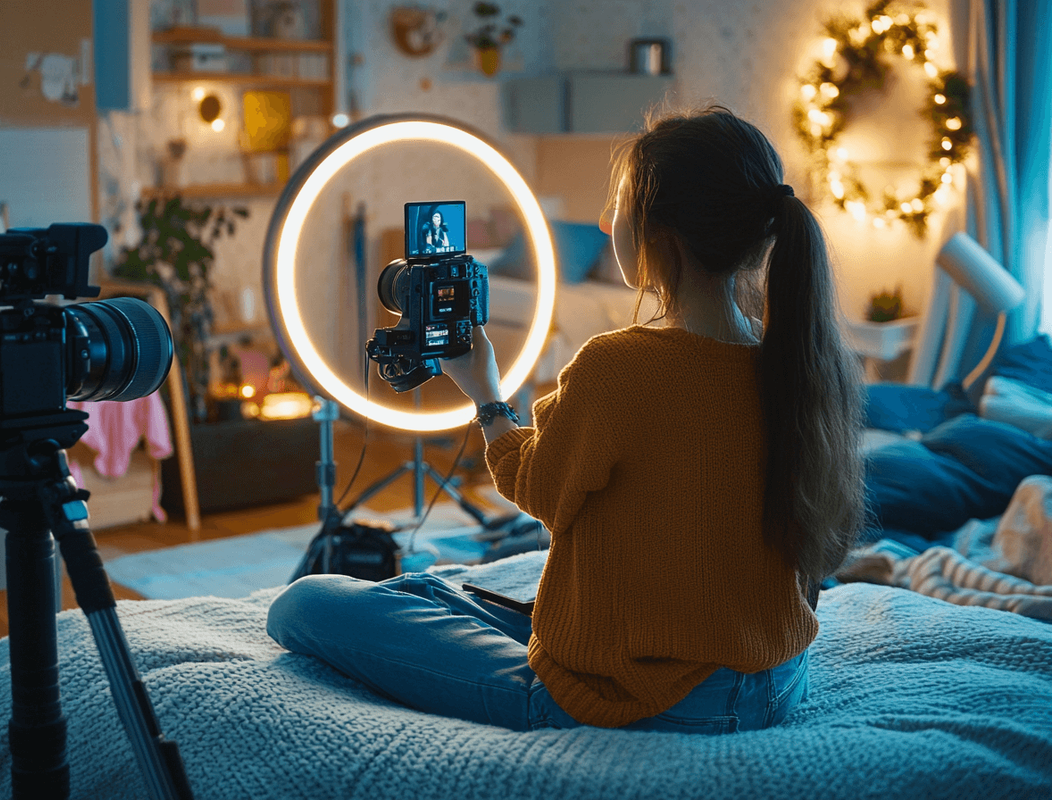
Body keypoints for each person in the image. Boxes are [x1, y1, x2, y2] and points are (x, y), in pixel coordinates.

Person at [267, 105, 866, 733]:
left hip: (654, 698)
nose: (607, 221)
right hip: (776, 678)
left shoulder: (620, 367)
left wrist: (487, 395)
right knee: (433, 591)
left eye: (620, 204)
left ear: (661, 235)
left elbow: (539, 487)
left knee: (307, 604)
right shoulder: (801, 360)